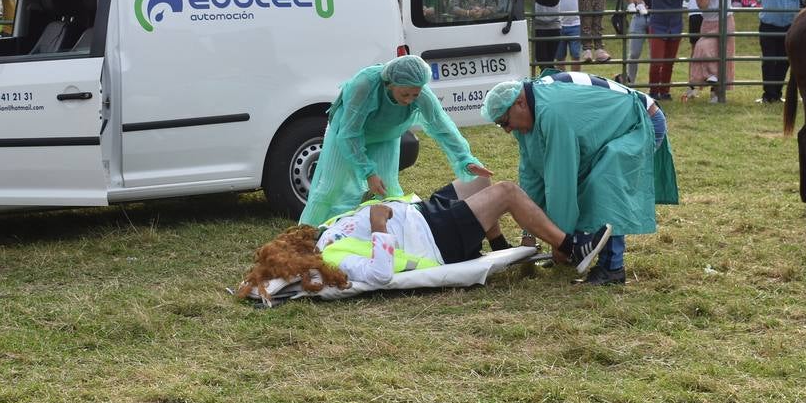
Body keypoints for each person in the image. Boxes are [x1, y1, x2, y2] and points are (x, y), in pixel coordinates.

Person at [237, 174, 605, 303]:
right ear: (297, 256)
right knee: (507, 192)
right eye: (290, 243)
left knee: (478, 179)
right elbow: (380, 274)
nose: (296, 236)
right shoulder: (333, 260)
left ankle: (503, 250)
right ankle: (573, 248)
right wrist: (379, 225)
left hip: (423, 213)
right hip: (432, 238)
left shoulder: (328, 232)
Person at [484, 72, 679, 286]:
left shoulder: (550, 112)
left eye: (504, 122)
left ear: (519, 103)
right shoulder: (528, 113)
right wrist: (528, 233)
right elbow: (532, 176)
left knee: (604, 183)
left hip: (642, 120)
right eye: (500, 125)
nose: (506, 130)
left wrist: (560, 242)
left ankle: (612, 268)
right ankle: (578, 250)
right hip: (613, 125)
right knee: (588, 178)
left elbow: (561, 183)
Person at [297, 56, 493, 227]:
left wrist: (465, 159)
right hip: (347, 133)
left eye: (414, 94)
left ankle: (382, 237)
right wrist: (368, 172)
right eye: (404, 94)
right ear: (390, 84)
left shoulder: (421, 95)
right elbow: (349, 134)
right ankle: (307, 236)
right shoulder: (364, 85)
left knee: (387, 190)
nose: (409, 100)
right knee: (330, 188)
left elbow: (442, 126)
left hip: (385, 135)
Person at [644, 0, 710, 101]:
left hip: (675, 26)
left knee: (669, 62)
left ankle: (665, 91)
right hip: (658, 25)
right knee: (656, 61)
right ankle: (653, 91)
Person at [686, 0, 750, 102]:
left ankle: (716, 94)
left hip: (725, 20)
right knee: (702, 47)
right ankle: (705, 79)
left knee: (722, 54)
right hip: (708, 23)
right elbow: (703, 6)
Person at [527, 0, 581, 72]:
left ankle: (549, 82)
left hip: (554, 26)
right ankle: (545, 82)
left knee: (551, 60)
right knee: (543, 62)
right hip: (539, 27)